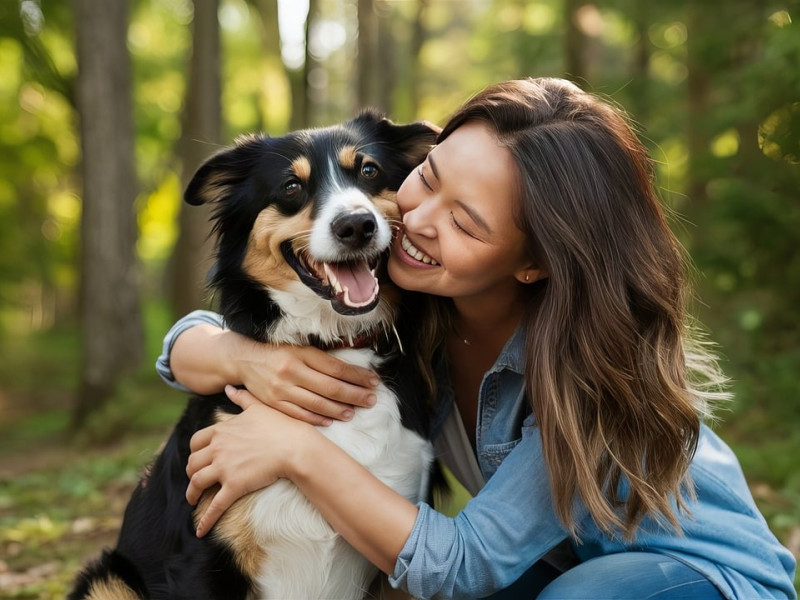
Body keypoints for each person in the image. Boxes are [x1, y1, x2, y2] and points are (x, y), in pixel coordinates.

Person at [156, 77, 796, 599]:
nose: (419, 221)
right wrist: (229, 352)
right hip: (553, 562)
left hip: (701, 578)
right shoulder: (415, 310)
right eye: (429, 178)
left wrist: (296, 448)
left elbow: (464, 563)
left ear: (534, 262)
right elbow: (201, 336)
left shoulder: (587, 372)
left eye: (464, 221)